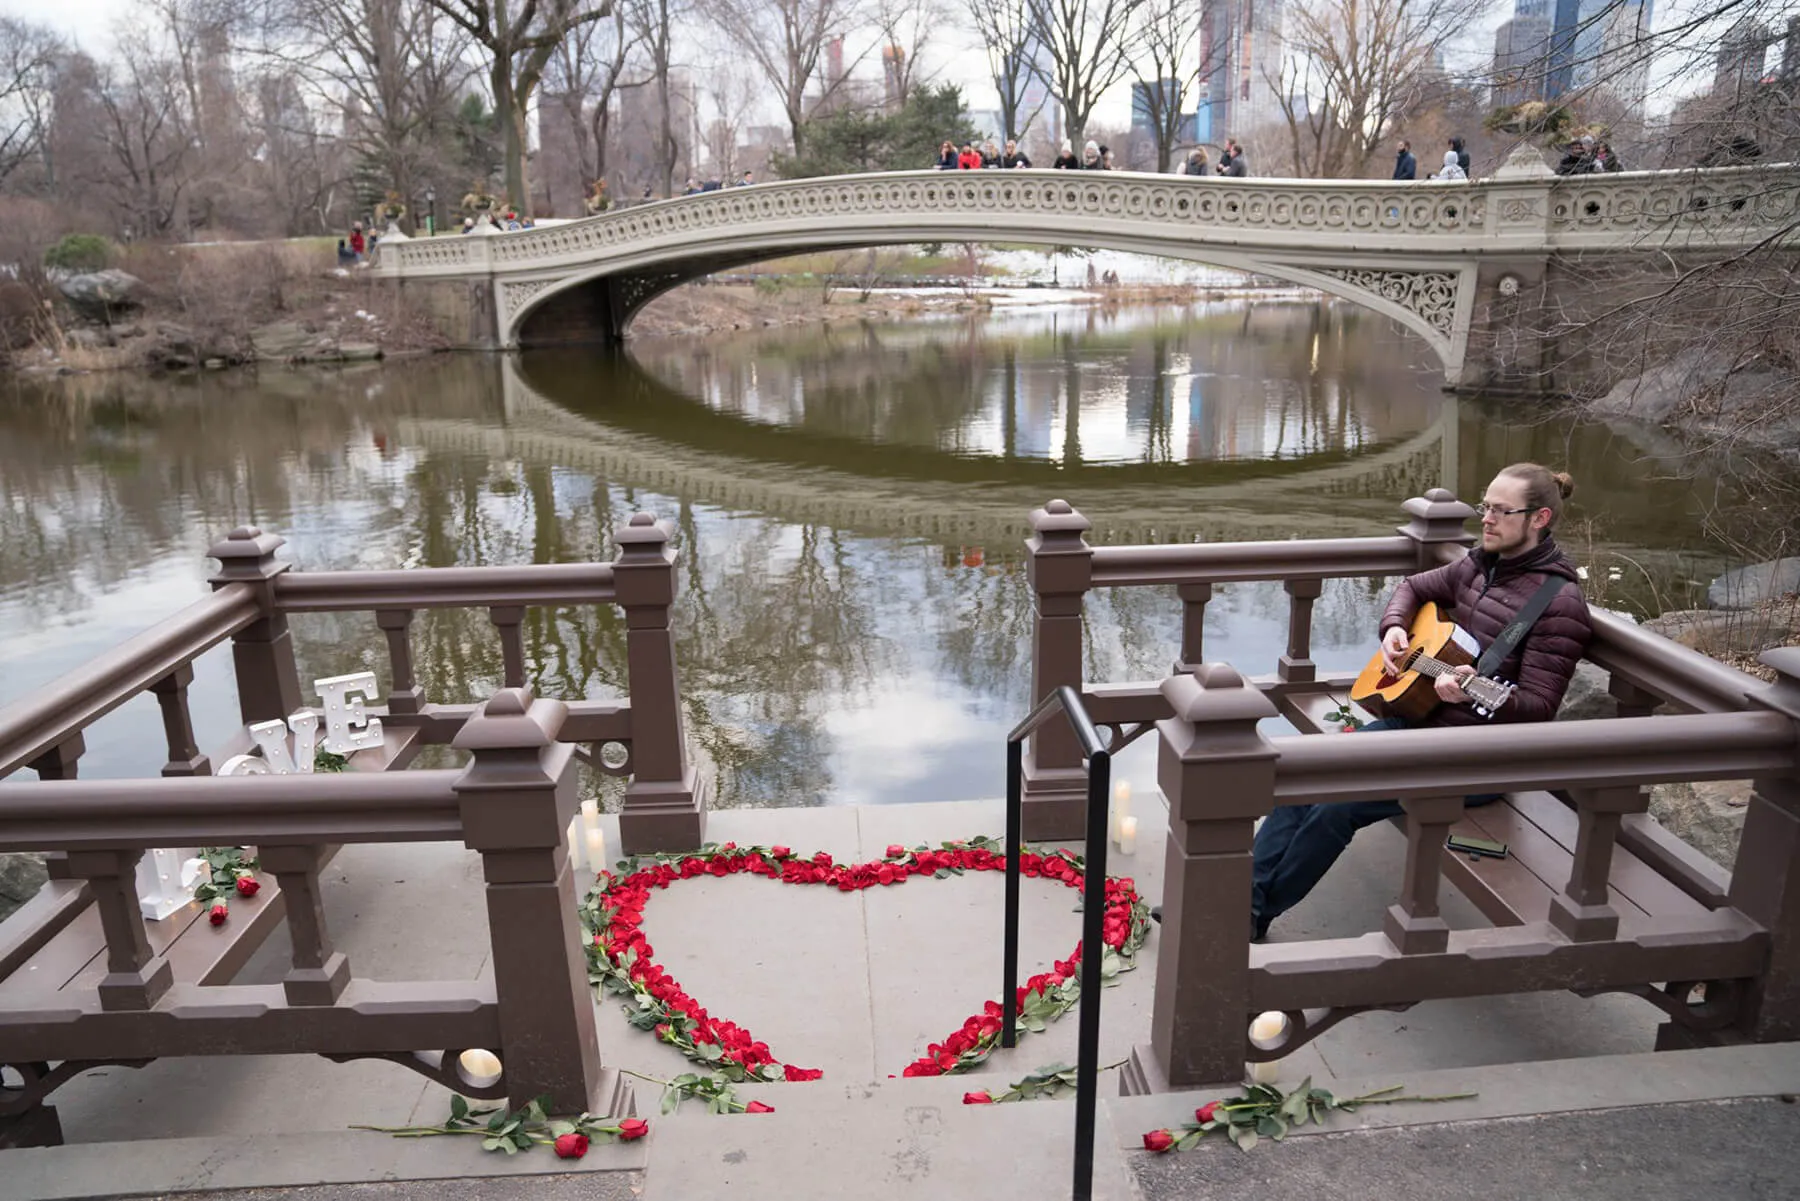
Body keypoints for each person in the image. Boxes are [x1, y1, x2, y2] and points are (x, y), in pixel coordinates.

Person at [1240, 464, 1592, 940]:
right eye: (1484, 506)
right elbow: (1413, 588)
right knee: (1307, 777)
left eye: (1500, 511)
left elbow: (1539, 708)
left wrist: (1475, 688)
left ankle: (1252, 916)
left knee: (1335, 809)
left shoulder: (1559, 603)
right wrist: (1394, 630)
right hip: (1420, 721)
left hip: (1477, 759)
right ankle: (1240, 900)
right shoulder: (1478, 563)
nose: (1486, 520)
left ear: (1539, 517)